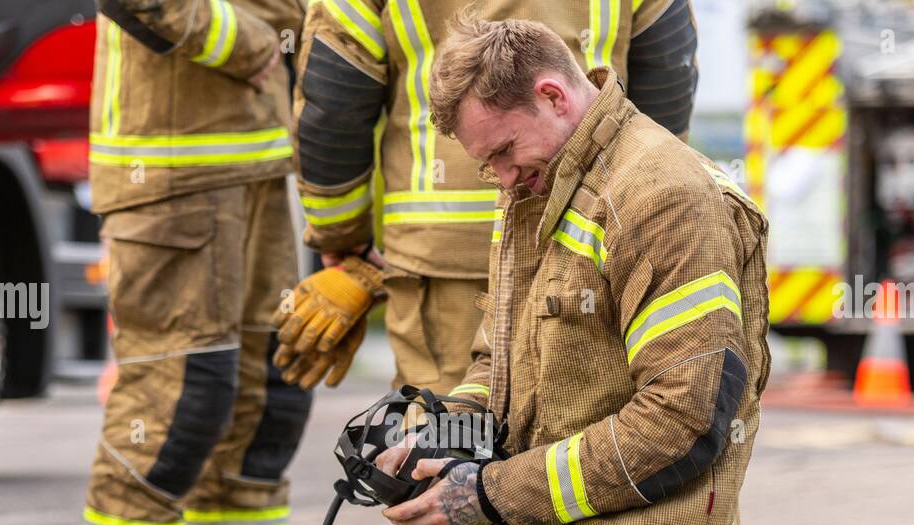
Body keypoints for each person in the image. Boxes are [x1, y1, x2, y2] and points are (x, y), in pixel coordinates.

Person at [302, 11, 771, 525]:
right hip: (525, 521)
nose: (499, 176)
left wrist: (484, 493)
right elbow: (498, 358)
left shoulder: (663, 197)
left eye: (502, 154)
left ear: (554, 95)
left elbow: (683, 421)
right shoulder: (536, 185)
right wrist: (445, 437)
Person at [273, 0, 700, 394]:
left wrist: (345, 243)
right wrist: (650, 204)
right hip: (593, 230)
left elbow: (334, 91)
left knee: (443, 438)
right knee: (588, 425)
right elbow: (667, 66)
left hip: (443, 260)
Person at [80, 0, 312, 525]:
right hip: (170, 173)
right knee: (178, 401)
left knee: (269, 394)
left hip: (258, 164)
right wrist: (249, 43)